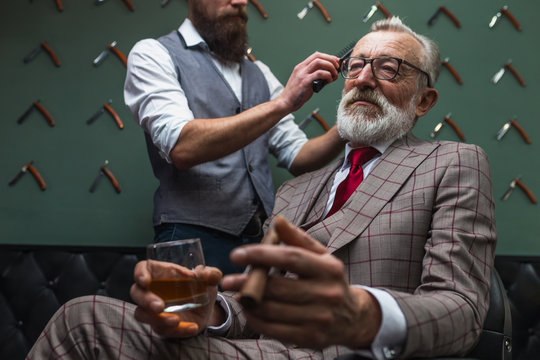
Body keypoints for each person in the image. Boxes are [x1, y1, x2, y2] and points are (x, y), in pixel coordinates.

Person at [28, 17, 496, 359]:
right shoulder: (294, 194)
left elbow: (461, 309)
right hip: (264, 344)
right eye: (355, 67)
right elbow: (257, 304)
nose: (365, 78)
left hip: (347, 352)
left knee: (85, 321)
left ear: (424, 101)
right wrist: (211, 312)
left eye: (390, 68)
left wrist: (366, 315)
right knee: (83, 313)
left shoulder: (452, 164)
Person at [124, 0, 345, 274]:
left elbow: (299, 156)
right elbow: (183, 147)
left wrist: (348, 125)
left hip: (261, 244)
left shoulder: (259, 73)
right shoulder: (153, 54)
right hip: (190, 243)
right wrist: (283, 102)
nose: (241, 2)